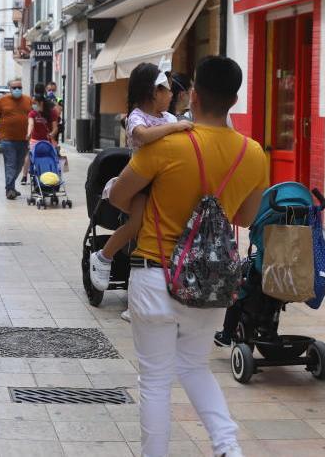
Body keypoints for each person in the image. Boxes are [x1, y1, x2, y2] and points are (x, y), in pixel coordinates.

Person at [108, 56, 268, 457]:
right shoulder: (252, 153)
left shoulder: (168, 143)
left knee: (156, 381)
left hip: (153, 276)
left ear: (193, 95)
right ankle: (228, 447)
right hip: (209, 281)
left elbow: (118, 196)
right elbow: (246, 216)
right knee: (194, 367)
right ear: (233, 99)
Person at [88, 62, 193, 321]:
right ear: (152, 92)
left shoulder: (170, 118)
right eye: (167, 89)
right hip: (140, 186)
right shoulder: (137, 118)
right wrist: (175, 127)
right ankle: (103, 256)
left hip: (164, 186)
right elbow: (144, 137)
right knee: (136, 225)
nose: (171, 95)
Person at [0, 80, 32, 199]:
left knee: (20, 164)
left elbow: (34, 117)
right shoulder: (2, 100)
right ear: (10, 88)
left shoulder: (28, 100)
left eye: (19, 87)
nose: (17, 89)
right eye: (14, 87)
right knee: (11, 164)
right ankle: (10, 189)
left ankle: (11, 186)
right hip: (7, 139)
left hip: (23, 139)